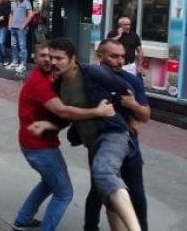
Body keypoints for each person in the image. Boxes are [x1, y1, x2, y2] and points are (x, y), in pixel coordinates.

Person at [17, 43, 116, 231]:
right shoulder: (40, 82)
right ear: (34, 58)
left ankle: (23, 219)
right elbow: (63, 112)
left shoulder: (51, 77)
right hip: (39, 146)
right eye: (43, 56)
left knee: (49, 183)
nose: (49, 60)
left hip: (35, 142)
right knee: (64, 193)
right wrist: (98, 111)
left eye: (52, 56)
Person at [47, 38, 141, 231]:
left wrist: (131, 116)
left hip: (113, 134)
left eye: (59, 58)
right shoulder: (58, 85)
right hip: (92, 144)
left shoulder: (92, 72)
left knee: (104, 173)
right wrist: (48, 125)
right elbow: (68, 114)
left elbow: (127, 91)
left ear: (72, 58)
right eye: (51, 58)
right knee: (106, 194)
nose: (53, 62)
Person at [84, 39, 151, 231]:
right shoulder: (89, 78)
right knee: (98, 190)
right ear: (100, 56)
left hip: (131, 148)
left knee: (137, 195)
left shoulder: (132, 81)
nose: (120, 61)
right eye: (114, 56)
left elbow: (146, 115)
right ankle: (90, 227)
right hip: (101, 144)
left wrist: (133, 106)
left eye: (122, 56)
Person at [8, 0, 34, 73]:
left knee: (22, 47)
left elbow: (31, 15)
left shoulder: (27, 3)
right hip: (13, 28)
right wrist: (9, 24)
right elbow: (11, 14)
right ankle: (15, 62)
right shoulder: (13, 3)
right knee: (14, 46)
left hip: (21, 29)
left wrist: (24, 25)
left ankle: (23, 64)